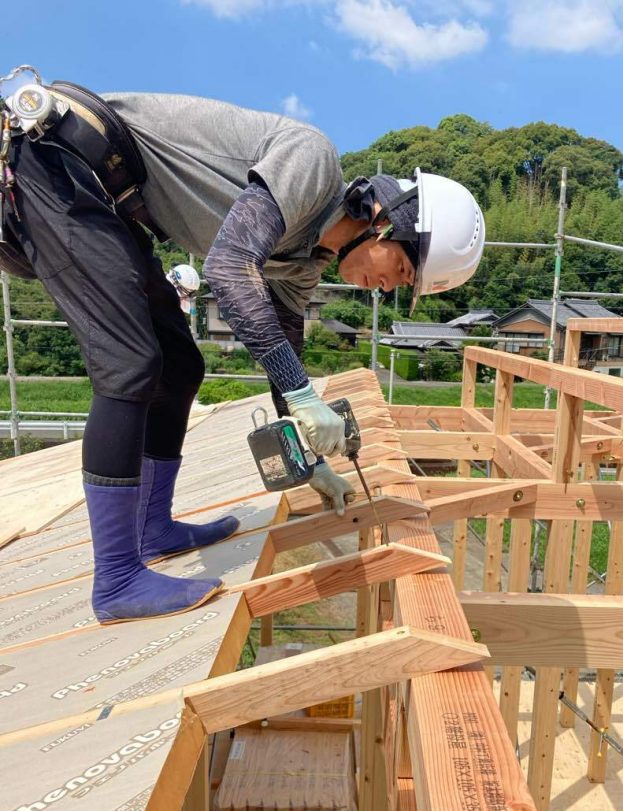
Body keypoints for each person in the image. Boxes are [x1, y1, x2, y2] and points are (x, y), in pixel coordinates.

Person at [0, 70, 485, 624]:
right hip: (53, 166)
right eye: (400, 269)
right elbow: (230, 273)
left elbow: (285, 354)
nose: (390, 288)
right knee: (132, 364)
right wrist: (305, 397)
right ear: (381, 221)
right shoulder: (312, 163)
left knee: (181, 365)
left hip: (103, 197)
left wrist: (306, 464)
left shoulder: (306, 260)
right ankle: (116, 580)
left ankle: (153, 529)